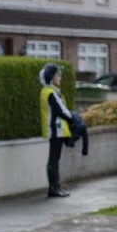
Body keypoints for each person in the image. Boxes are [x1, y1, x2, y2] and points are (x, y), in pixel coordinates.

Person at [39, 63, 76, 197]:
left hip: (56, 130)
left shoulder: (49, 91)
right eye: (57, 74)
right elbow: (60, 110)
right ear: (52, 77)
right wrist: (73, 118)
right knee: (54, 160)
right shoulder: (50, 92)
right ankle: (54, 188)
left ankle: (56, 187)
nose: (59, 77)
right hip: (55, 130)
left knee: (55, 159)